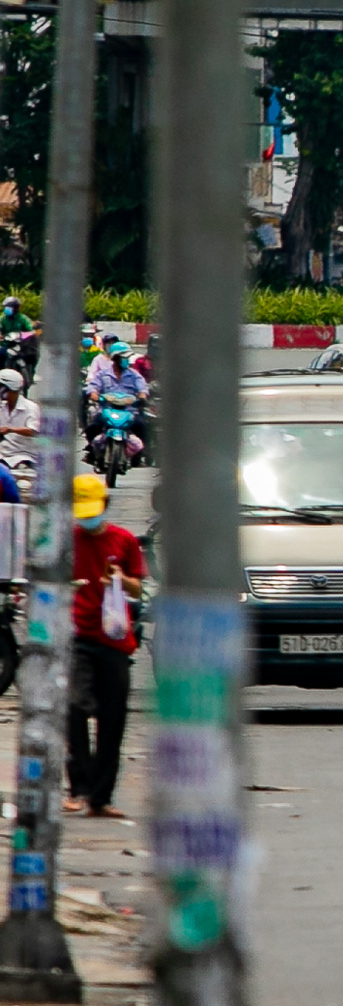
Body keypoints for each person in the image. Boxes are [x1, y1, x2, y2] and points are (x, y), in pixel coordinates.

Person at [63, 475, 145, 819]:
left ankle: (101, 797)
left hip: (114, 640)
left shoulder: (123, 541)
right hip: (77, 635)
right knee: (75, 705)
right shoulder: (66, 541)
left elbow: (138, 589)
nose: (87, 519)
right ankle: (78, 787)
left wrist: (119, 579)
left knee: (113, 721)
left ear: (105, 507)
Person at [84, 340, 149, 454]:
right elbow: (93, 387)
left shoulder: (134, 375)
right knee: (92, 428)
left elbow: (142, 388)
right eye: (123, 357)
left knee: (142, 427)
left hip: (130, 411)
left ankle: (142, 454)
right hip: (106, 410)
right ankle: (92, 451)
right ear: (115, 358)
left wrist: (142, 397)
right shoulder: (103, 374)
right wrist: (94, 395)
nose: (126, 360)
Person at [0, 366, 41, 479]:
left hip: (23, 455)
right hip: (3, 453)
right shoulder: (2, 407)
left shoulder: (30, 408)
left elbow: (34, 430)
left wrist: (10, 429)